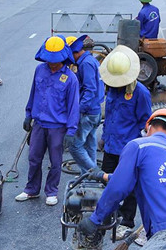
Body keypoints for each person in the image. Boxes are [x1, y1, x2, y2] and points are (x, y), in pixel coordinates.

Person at [80, 109, 166, 239]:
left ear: (148, 127)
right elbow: (154, 179)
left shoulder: (138, 146)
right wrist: (103, 176)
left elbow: (118, 187)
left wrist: (95, 219)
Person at [17, 36, 80, 206]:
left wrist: (71, 131)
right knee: (34, 158)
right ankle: (31, 189)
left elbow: (74, 106)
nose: (52, 64)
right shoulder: (40, 70)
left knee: (55, 161)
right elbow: (33, 93)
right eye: (50, 60)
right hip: (39, 123)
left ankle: (51, 191)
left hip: (57, 127)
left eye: (56, 61)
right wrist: (28, 113)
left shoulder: (70, 79)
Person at [97, 45, 151, 232]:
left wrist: (138, 146)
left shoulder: (141, 93)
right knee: (106, 181)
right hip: (111, 145)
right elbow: (110, 115)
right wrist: (104, 136)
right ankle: (106, 213)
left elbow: (145, 122)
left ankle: (126, 220)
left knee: (129, 186)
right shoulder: (111, 89)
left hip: (130, 147)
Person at [66, 35, 104, 174]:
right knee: (89, 145)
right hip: (95, 111)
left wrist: (78, 110)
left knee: (75, 146)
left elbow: (90, 89)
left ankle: (95, 174)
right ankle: (88, 178)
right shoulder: (91, 60)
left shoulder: (85, 64)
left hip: (88, 112)